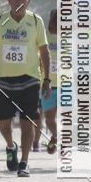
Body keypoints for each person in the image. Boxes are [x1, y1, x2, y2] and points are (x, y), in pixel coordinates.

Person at [0, 0, 51, 177]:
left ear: (28, 1)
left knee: (27, 121)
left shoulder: (36, 21)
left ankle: (24, 162)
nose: (19, 0)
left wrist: (47, 79)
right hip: (4, 80)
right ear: (9, 0)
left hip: (30, 79)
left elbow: (44, 52)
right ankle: (11, 145)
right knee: (3, 122)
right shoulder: (0, 21)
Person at [40, 8, 58, 154]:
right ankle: (56, 136)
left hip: (67, 84)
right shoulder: (43, 37)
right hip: (48, 84)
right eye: (54, 20)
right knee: (49, 119)